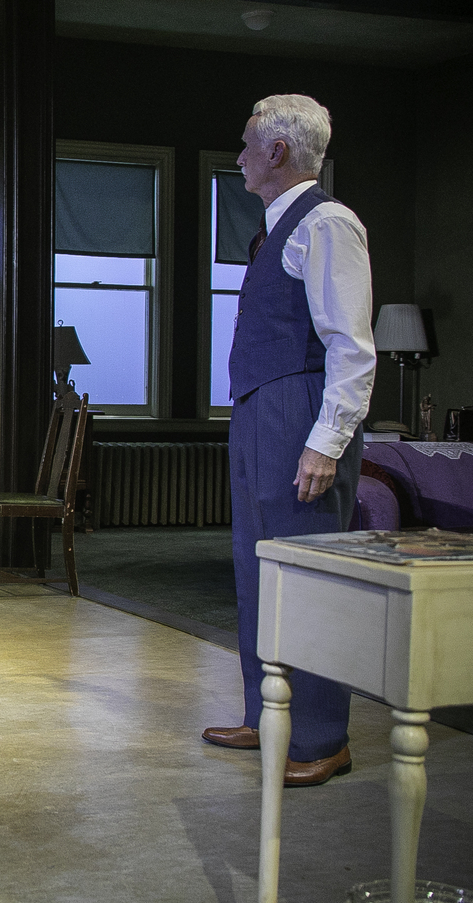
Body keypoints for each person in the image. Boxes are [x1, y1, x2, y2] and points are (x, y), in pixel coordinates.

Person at [205, 94, 376, 787]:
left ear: (278, 151)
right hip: (256, 414)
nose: (240, 155)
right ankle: (264, 711)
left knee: (309, 577)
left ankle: (321, 735)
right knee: (255, 570)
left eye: (247, 143)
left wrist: (326, 442)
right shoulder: (274, 230)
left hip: (300, 413)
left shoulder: (328, 223)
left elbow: (352, 347)